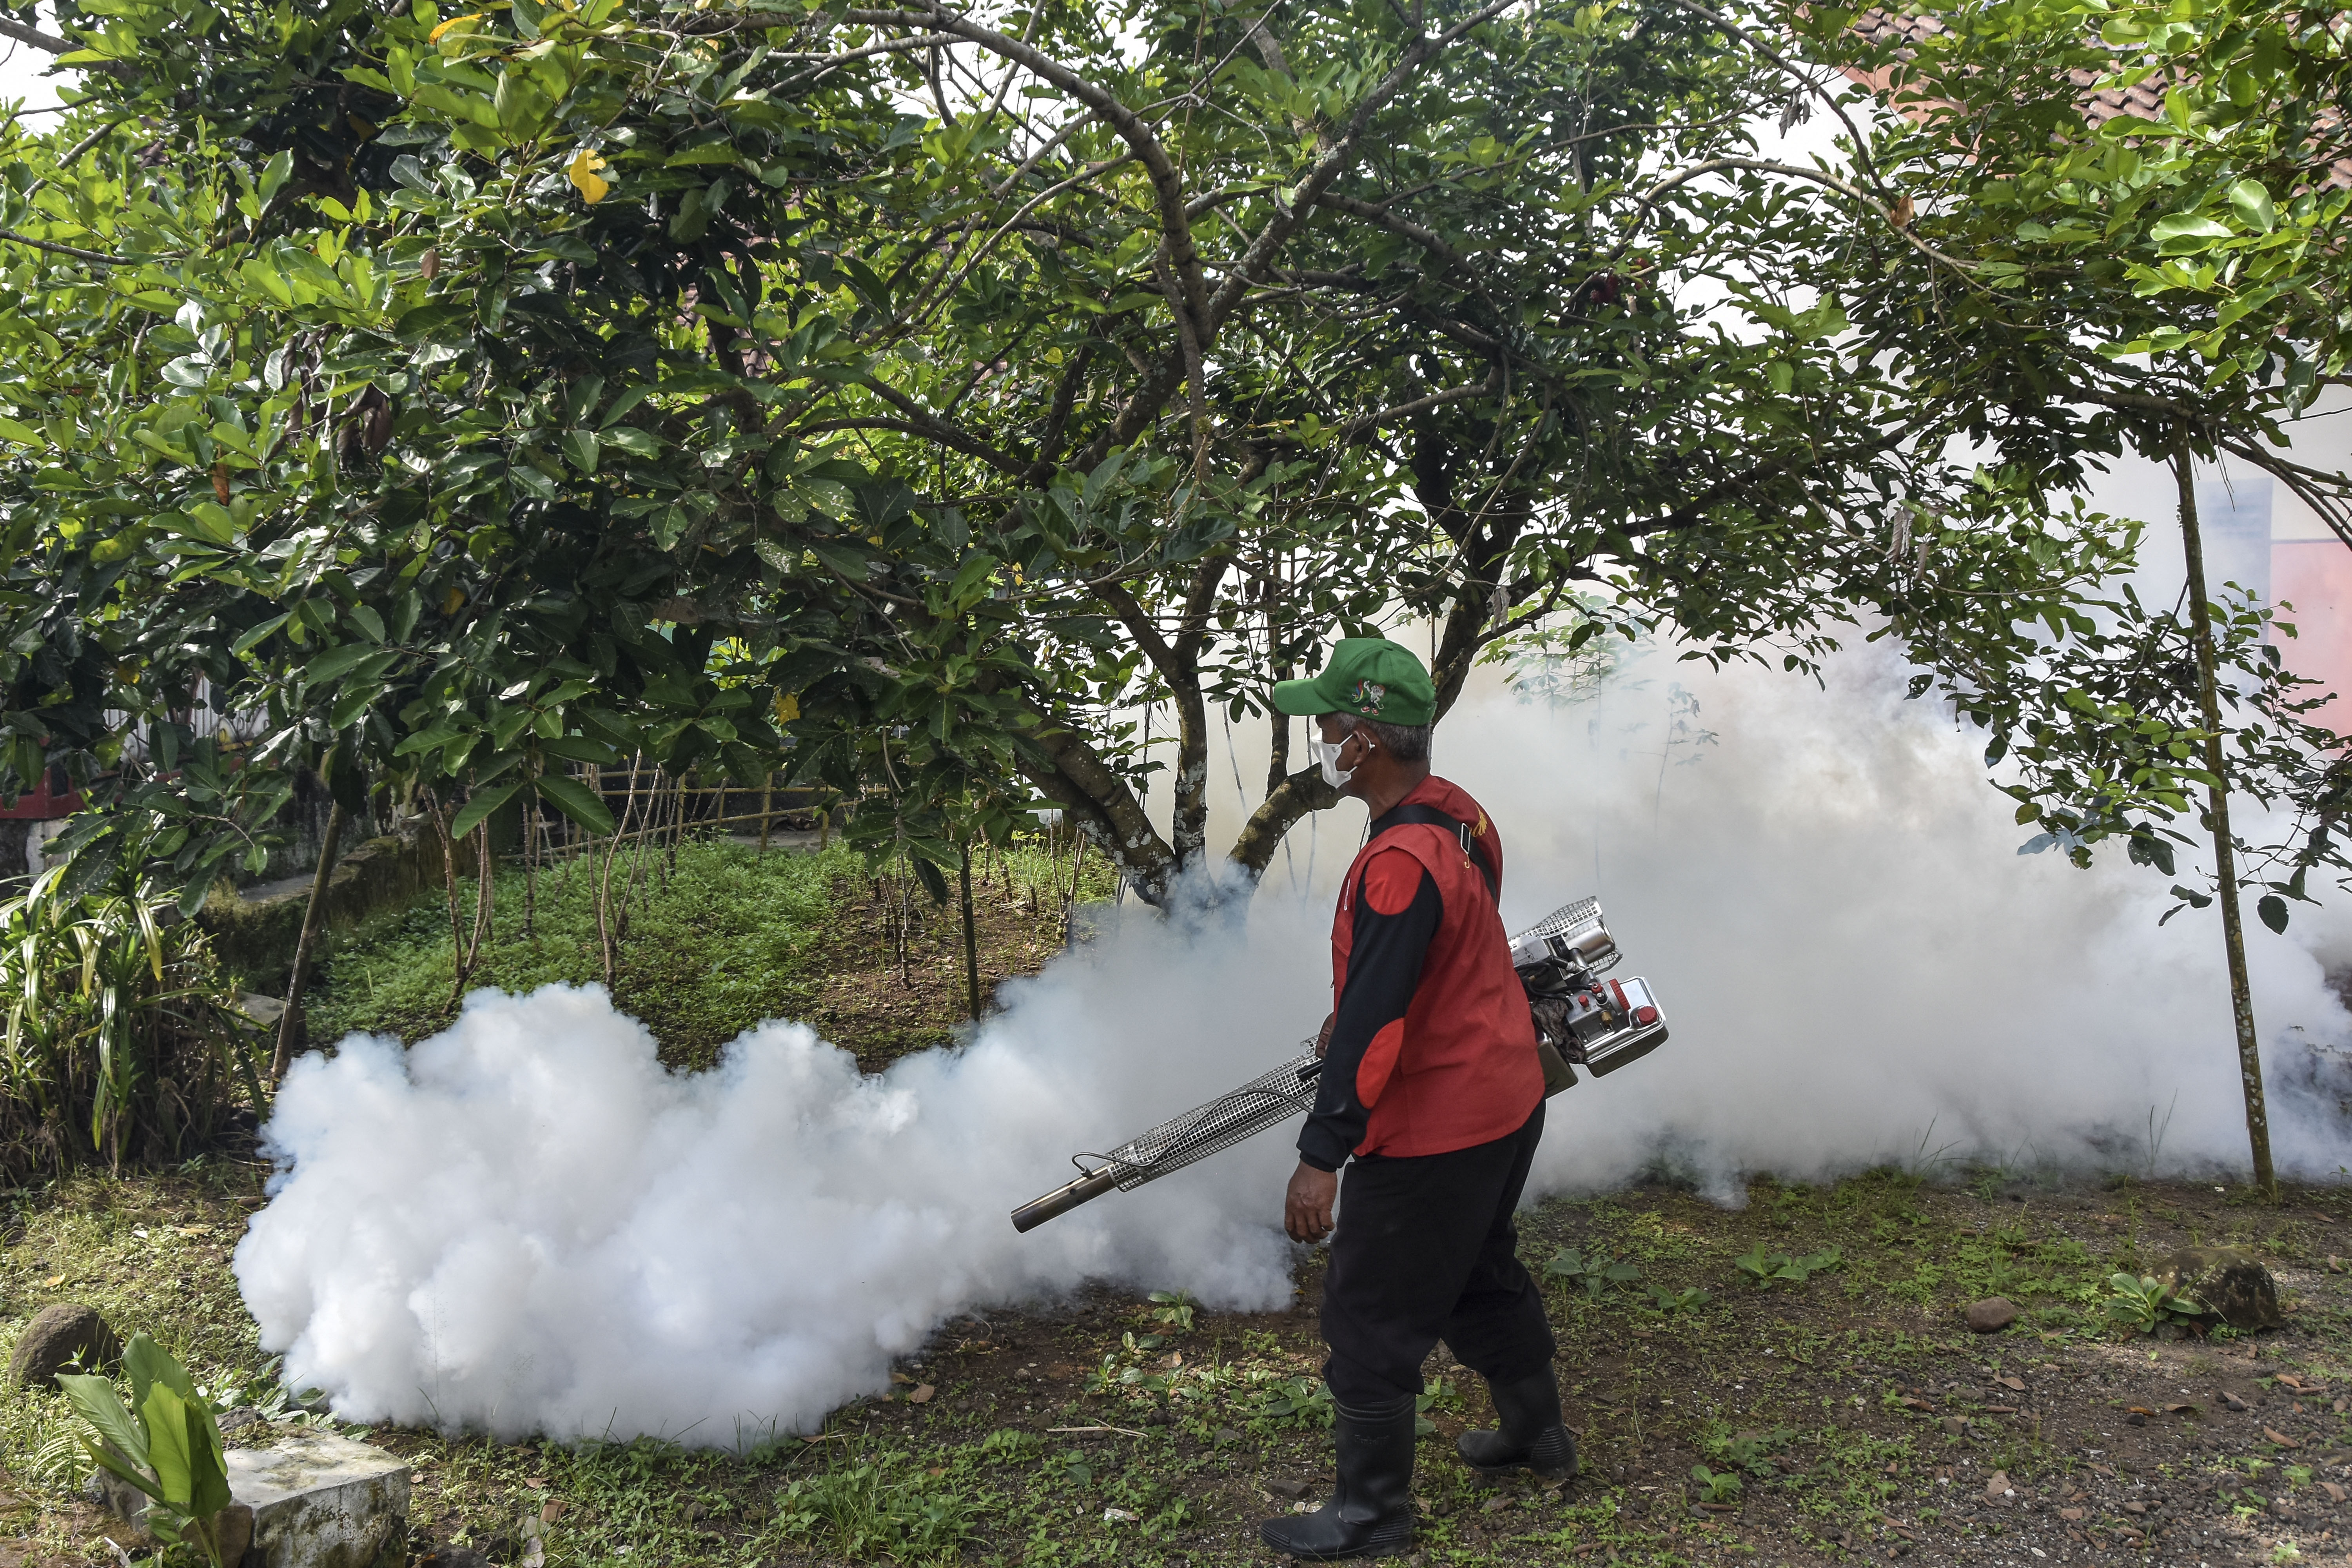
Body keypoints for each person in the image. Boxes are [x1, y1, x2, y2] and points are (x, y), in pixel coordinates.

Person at [1256, 637, 1573, 1562]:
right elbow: (1459, 936)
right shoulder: (1460, 815)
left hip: (1439, 1122)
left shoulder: (1397, 863)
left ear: (1366, 745)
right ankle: (1537, 1433)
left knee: (1368, 1315)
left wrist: (1323, 1156)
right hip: (1508, 1093)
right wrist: (1366, 995)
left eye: (1330, 723)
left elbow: (1377, 1032)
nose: (1319, 735)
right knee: (1477, 1267)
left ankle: (1371, 1515)